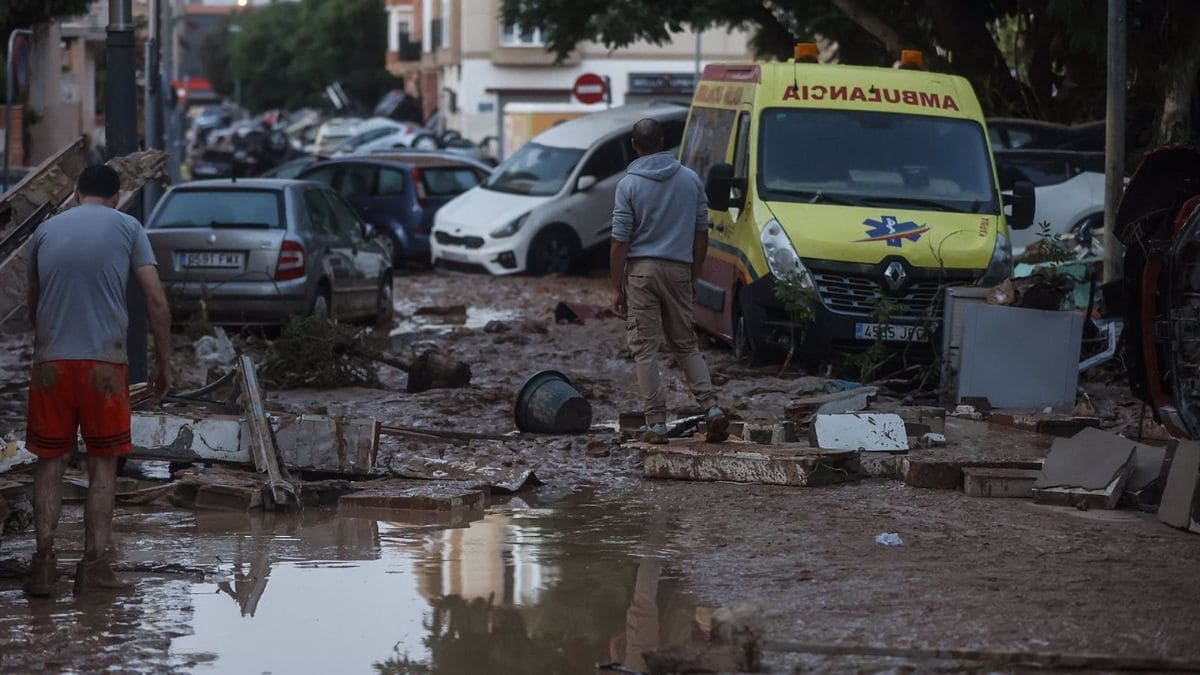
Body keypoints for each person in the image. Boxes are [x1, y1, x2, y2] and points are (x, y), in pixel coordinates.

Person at [24, 165, 172, 597]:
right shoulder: (128, 226)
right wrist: (163, 364)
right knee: (102, 466)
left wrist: (49, 345)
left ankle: (44, 569)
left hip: (51, 363)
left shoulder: (46, 231)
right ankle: (94, 568)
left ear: (75, 191)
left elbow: (33, 303)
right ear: (116, 195)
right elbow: (156, 301)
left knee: (49, 463)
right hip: (105, 367)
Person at [610, 118, 729, 445]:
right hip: (679, 268)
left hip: (642, 272)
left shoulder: (628, 185)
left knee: (645, 349)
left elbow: (619, 241)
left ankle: (657, 424)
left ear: (634, 145)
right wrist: (694, 274)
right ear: (663, 141)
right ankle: (712, 408)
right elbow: (701, 232)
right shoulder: (690, 180)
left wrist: (615, 287)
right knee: (686, 344)